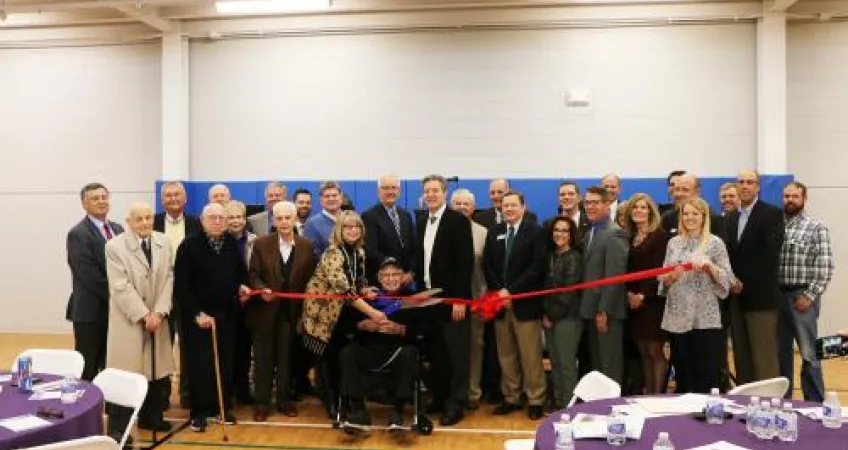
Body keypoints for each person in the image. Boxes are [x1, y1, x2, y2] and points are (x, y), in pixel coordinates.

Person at [301, 212, 386, 418]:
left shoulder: (359, 252)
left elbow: (357, 282)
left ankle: (347, 398)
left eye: (356, 226)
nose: (353, 230)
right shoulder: (332, 253)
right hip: (323, 315)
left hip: (345, 312)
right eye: (348, 227)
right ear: (340, 229)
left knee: (344, 357)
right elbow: (344, 290)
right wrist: (373, 312)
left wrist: (365, 290)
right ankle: (332, 403)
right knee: (328, 359)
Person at [175, 203, 251, 432]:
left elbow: (240, 273)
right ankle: (199, 413)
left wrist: (243, 288)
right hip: (198, 317)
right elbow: (182, 286)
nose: (217, 221)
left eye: (221, 217)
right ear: (202, 220)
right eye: (213, 218)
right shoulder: (189, 246)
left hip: (226, 316)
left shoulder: (230, 244)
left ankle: (222, 407)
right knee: (200, 366)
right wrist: (197, 313)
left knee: (225, 363)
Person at [338, 257, 435, 434]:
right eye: (386, 275)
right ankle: (358, 410)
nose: (391, 278)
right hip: (369, 349)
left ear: (403, 276)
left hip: (398, 352)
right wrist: (362, 325)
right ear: (379, 278)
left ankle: (397, 412)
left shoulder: (413, 299)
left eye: (395, 274)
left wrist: (401, 330)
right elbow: (344, 326)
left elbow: (427, 331)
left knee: (411, 352)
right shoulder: (367, 299)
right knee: (347, 353)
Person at [105, 203, 175, 437]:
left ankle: (152, 418)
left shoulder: (164, 242)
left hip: (158, 317)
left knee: (156, 371)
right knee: (128, 372)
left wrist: (159, 312)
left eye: (148, 218)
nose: (145, 223)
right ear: (129, 221)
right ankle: (120, 427)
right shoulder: (114, 247)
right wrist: (144, 314)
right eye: (139, 219)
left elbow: (169, 279)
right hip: (130, 320)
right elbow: (120, 287)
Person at [247, 201, 317, 420]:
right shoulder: (261, 244)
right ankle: (262, 404)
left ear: (295, 219)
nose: (284, 222)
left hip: (291, 314)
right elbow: (253, 275)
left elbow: (310, 280)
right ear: (273, 221)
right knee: (263, 360)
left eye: (288, 218)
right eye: (279, 218)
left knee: (286, 360)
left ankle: (285, 401)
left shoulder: (306, 245)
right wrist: (261, 289)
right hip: (264, 313)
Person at [414, 174, 474, 426]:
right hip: (427, 299)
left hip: (452, 300)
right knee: (436, 353)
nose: (430, 194)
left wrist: (460, 299)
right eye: (426, 190)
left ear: (444, 192)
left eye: (435, 190)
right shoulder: (420, 221)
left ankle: (456, 403)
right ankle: (438, 397)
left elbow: (464, 262)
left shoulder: (457, 221)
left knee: (457, 354)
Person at [483, 191, 548, 420]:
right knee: (506, 354)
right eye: (505, 205)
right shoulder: (494, 232)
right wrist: (499, 292)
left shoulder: (537, 232)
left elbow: (537, 267)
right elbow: (488, 265)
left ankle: (535, 399)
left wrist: (511, 291)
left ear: (523, 206)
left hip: (525, 305)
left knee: (530, 356)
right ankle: (511, 397)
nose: (508, 209)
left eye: (513, 205)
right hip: (500, 304)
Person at [659, 198, 733, 394]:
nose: (689, 218)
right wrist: (671, 276)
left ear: (704, 217)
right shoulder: (673, 243)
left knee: (705, 373)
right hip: (677, 316)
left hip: (704, 318)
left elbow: (728, 280)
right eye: (686, 214)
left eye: (695, 214)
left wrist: (709, 267)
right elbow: (662, 281)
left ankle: (707, 415)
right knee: (683, 372)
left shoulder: (715, 243)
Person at [726, 169, 784, 384]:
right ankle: (745, 404)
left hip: (761, 298)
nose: (745, 186)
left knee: (764, 358)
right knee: (742, 357)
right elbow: (728, 257)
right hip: (735, 298)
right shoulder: (730, 218)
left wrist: (743, 283)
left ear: (758, 187)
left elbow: (768, 256)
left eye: (750, 182)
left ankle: (769, 406)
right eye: (741, 182)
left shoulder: (772, 214)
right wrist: (731, 282)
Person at [778, 181, 835, 402]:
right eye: (786, 196)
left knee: (810, 353)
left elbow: (825, 266)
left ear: (804, 199)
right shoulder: (776, 225)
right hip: (778, 297)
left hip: (802, 297)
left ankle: (815, 403)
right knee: (781, 353)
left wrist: (810, 295)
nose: (790, 200)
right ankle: (783, 400)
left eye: (794, 196)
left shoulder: (816, 227)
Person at [66, 183, 124, 381]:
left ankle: (112, 409)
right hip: (90, 313)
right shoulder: (78, 234)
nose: (101, 201)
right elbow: (88, 275)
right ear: (84, 204)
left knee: (112, 364)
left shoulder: (118, 229)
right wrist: (121, 295)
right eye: (95, 198)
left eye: (104, 197)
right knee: (88, 367)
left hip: (116, 313)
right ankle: (85, 409)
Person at [153, 180, 201, 407]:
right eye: (168, 195)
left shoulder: (197, 223)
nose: (173, 199)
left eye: (177, 195)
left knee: (189, 345)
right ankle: (161, 397)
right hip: (159, 294)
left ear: (185, 199)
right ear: (162, 200)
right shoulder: (151, 222)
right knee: (162, 346)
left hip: (188, 293)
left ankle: (189, 395)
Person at [450, 189, 496, 410]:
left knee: (476, 346)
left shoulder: (483, 233)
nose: (462, 208)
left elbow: (488, 269)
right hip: (451, 302)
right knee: (453, 347)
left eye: (466, 204)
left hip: (477, 299)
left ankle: (473, 392)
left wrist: (485, 298)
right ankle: (454, 390)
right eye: (457, 203)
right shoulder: (444, 231)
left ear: (473, 207)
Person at [579, 186, 629, 384]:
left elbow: (614, 277)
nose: (590, 207)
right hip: (589, 309)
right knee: (598, 365)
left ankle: (613, 408)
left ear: (607, 204)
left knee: (610, 366)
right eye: (587, 203)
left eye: (595, 203)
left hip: (606, 312)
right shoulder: (590, 232)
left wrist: (603, 311)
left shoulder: (615, 234)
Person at [621, 193, 670, 394]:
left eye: (643, 207)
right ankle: (648, 394)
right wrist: (629, 295)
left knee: (654, 351)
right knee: (643, 351)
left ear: (651, 211)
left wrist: (642, 295)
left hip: (652, 302)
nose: (639, 211)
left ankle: (658, 396)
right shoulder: (630, 237)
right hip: (633, 303)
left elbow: (660, 271)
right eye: (635, 207)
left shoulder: (660, 236)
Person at [540, 216, 582, 410]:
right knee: (555, 362)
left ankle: (568, 404)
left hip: (567, 319)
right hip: (548, 317)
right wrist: (544, 314)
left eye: (565, 230)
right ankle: (557, 400)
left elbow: (569, 292)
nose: (560, 234)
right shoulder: (549, 255)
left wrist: (552, 316)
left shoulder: (574, 258)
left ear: (571, 234)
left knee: (566, 364)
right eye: (557, 230)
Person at [226, 200, 256, 405]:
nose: (236, 221)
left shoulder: (255, 241)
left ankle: (244, 389)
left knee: (245, 348)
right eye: (231, 217)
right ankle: (228, 390)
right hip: (227, 302)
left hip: (249, 303)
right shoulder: (220, 240)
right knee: (228, 348)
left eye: (239, 217)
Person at [362, 174, 415, 283]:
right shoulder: (368, 216)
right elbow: (371, 250)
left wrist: (410, 272)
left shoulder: (406, 215)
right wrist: (395, 271)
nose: (390, 191)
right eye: (385, 188)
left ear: (399, 191)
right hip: (383, 279)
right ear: (378, 192)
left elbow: (412, 247)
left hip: (405, 280)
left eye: (393, 188)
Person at [473, 178, 538, 228]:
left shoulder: (528, 217)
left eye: (500, 192)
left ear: (509, 193)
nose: (496, 196)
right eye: (492, 193)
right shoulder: (479, 218)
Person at [303, 181, 344, 256]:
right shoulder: (312, 224)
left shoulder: (350, 219)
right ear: (321, 200)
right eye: (327, 196)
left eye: (334, 195)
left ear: (341, 198)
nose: (331, 199)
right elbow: (311, 256)